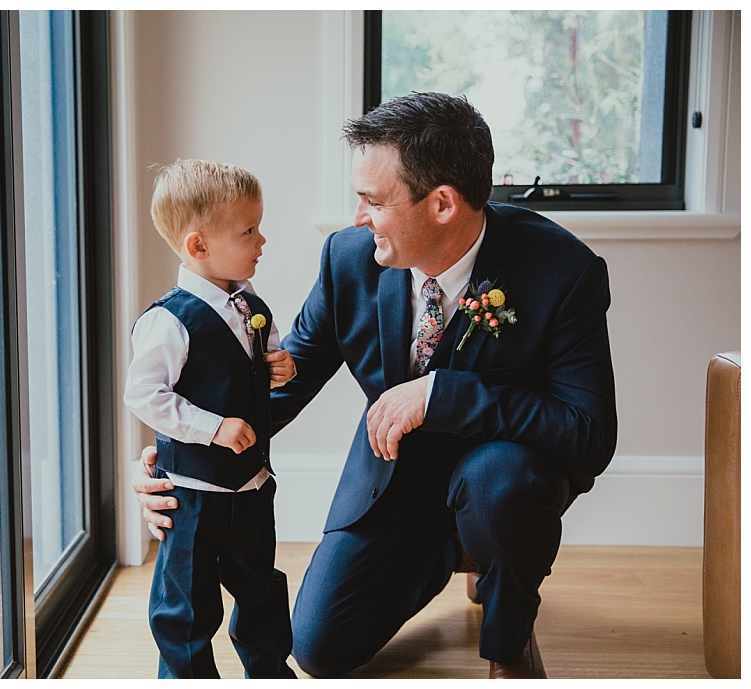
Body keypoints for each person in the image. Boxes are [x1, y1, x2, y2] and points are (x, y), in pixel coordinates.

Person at [133, 93, 617, 679]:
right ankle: (447, 554)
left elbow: (589, 434)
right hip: (391, 481)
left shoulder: (563, 271)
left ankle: (507, 635)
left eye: (373, 201)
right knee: (317, 650)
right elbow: (279, 382)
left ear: (442, 204)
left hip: (503, 480)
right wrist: (187, 453)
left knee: (497, 483)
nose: (358, 217)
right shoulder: (349, 258)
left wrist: (441, 395)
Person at [124, 159, 299, 679]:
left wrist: (280, 365)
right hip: (195, 492)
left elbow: (261, 359)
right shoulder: (169, 320)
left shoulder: (250, 304)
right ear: (198, 246)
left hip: (251, 485)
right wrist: (211, 427)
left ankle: (269, 672)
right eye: (249, 231)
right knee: (187, 605)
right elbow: (144, 394)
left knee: (261, 589)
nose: (262, 241)